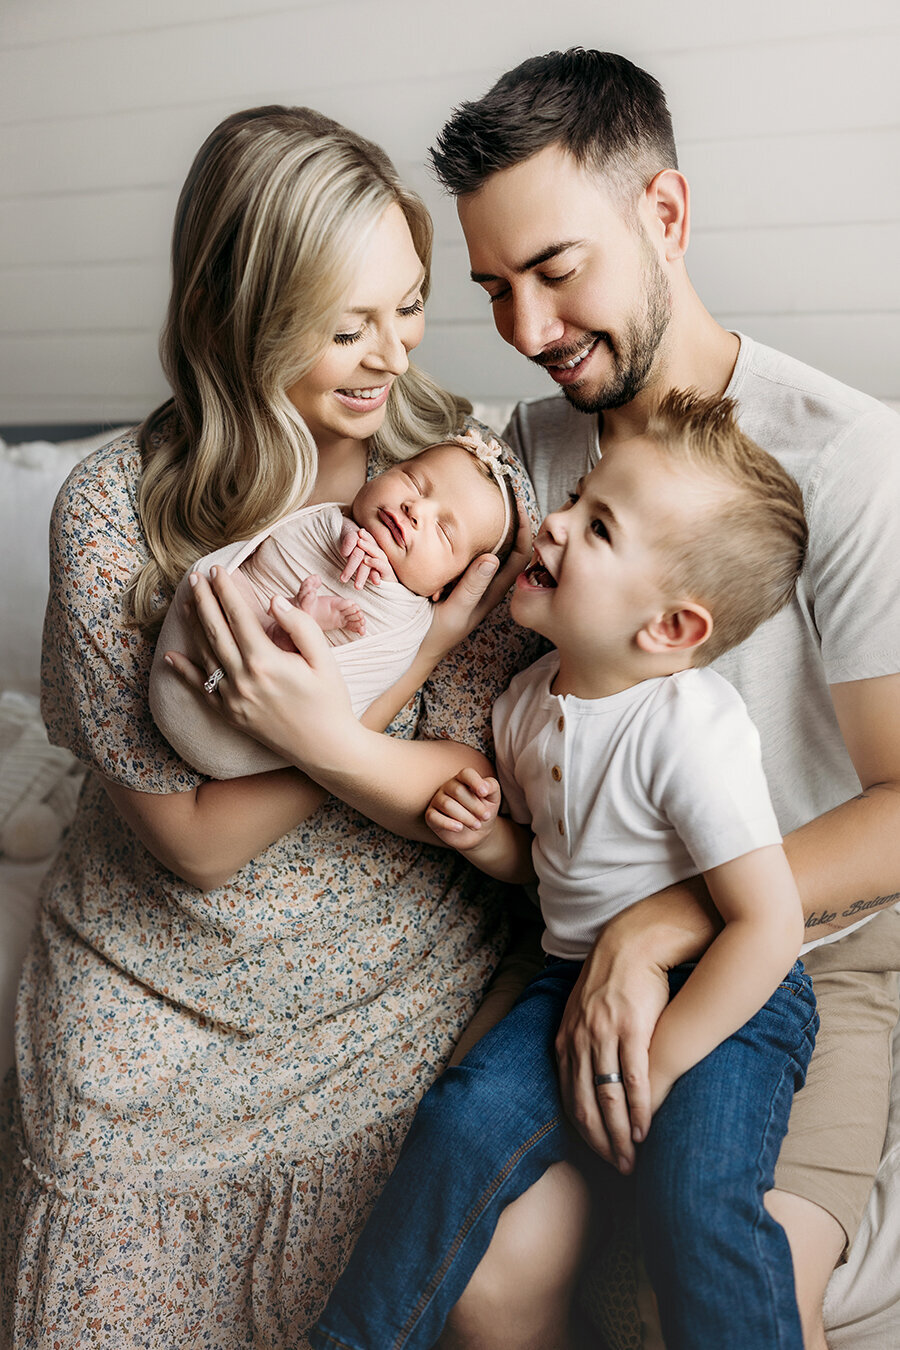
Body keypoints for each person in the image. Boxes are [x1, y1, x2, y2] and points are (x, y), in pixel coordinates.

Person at [0, 105, 540, 1348]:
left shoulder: (454, 479)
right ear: (236, 317)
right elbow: (193, 843)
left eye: (409, 305)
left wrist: (385, 697)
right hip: (155, 971)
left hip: (388, 977)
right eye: (346, 327)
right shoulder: (111, 518)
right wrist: (408, 671)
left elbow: (506, 786)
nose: (391, 355)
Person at [419, 46, 900, 1350]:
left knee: (726, 1306)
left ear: (666, 216)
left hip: (807, 949)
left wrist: (671, 921)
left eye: (557, 270)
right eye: (495, 287)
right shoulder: (528, 450)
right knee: (483, 1281)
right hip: (575, 944)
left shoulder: (844, 458)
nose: (525, 327)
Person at [309, 389, 818, 1350]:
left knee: (697, 1196)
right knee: (461, 1121)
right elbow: (545, 870)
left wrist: (654, 1069)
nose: (553, 521)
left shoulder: (690, 729)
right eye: (576, 496)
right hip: (568, 980)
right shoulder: (522, 702)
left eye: (597, 526)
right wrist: (482, 838)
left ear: (669, 628)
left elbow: (768, 924)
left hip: (729, 996)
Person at [150, 432, 516, 779]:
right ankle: (289, 626)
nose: (415, 508)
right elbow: (282, 544)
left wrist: (385, 582)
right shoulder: (328, 520)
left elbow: (345, 708)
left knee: (315, 681)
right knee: (217, 582)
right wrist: (345, 534)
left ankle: (291, 634)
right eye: (414, 481)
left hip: (254, 732)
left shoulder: (409, 622)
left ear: (445, 586)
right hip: (194, 656)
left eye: (444, 531)